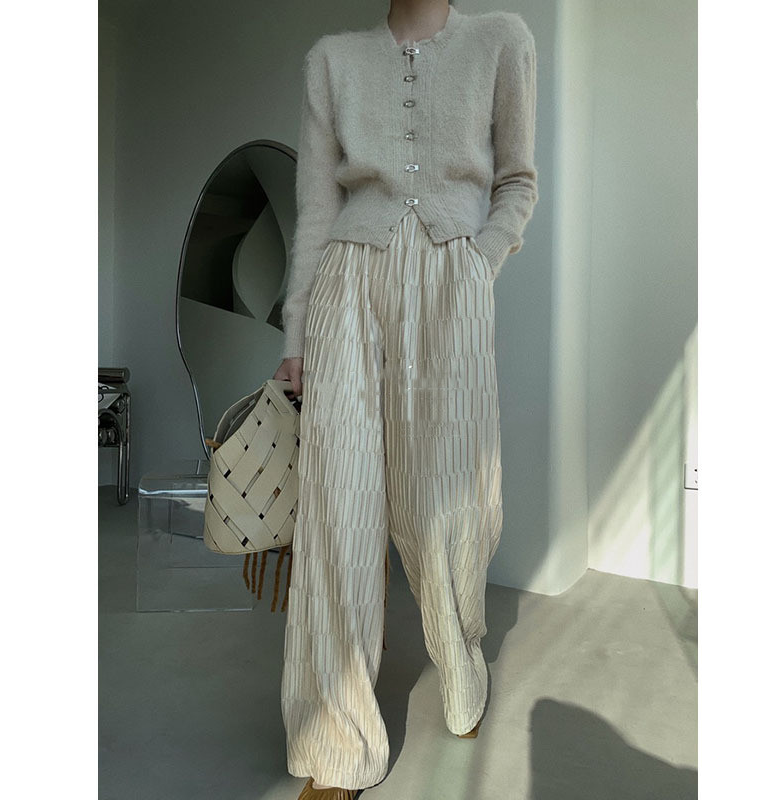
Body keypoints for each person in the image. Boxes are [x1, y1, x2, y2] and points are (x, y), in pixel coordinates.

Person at [273, 1, 539, 796]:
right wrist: (297, 331)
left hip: (451, 284)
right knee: (339, 511)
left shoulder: (502, 39)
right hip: (347, 285)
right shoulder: (331, 59)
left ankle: (460, 656)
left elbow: (518, 181)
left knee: (448, 500)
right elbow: (317, 208)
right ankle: (336, 744)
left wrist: (477, 264)